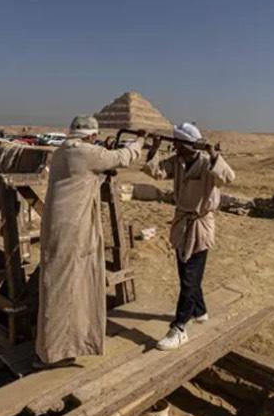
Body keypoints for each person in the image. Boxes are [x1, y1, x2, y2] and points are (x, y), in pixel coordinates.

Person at [34, 115, 145, 368]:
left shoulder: (65, 149)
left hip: (61, 226)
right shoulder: (85, 152)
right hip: (73, 229)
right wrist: (140, 141)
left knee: (66, 286)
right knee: (66, 289)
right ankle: (54, 353)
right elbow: (122, 158)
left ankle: (60, 347)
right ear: (90, 136)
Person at [143, 122, 235, 351]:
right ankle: (199, 310)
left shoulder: (206, 164)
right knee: (186, 272)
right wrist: (153, 149)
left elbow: (228, 177)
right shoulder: (178, 162)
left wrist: (214, 155)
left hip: (200, 225)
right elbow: (156, 171)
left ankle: (180, 328)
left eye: (177, 142)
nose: (174, 146)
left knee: (189, 277)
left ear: (187, 144)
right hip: (182, 224)